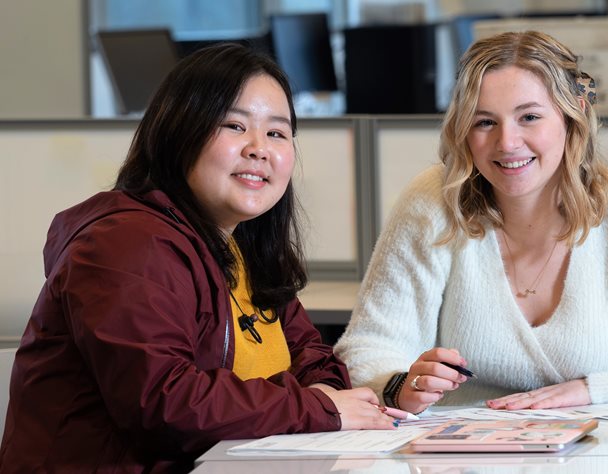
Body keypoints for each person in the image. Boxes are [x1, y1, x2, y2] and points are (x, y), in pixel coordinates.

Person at [0, 43, 394, 473]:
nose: (259, 148)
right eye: (234, 126)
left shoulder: (239, 247)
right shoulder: (125, 244)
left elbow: (311, 359)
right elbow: (163, 403)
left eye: (277, 133)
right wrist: (318, 407)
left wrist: (328, 399)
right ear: (179, 132)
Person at [334, 31, 608, 416]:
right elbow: (367, 348)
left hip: (593, 456)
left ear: (572, 117)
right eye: (484, 121)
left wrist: (592, 390)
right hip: (458, 454)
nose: (507, 142)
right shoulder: (436, 202)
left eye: (529, 117)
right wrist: (399, 385)